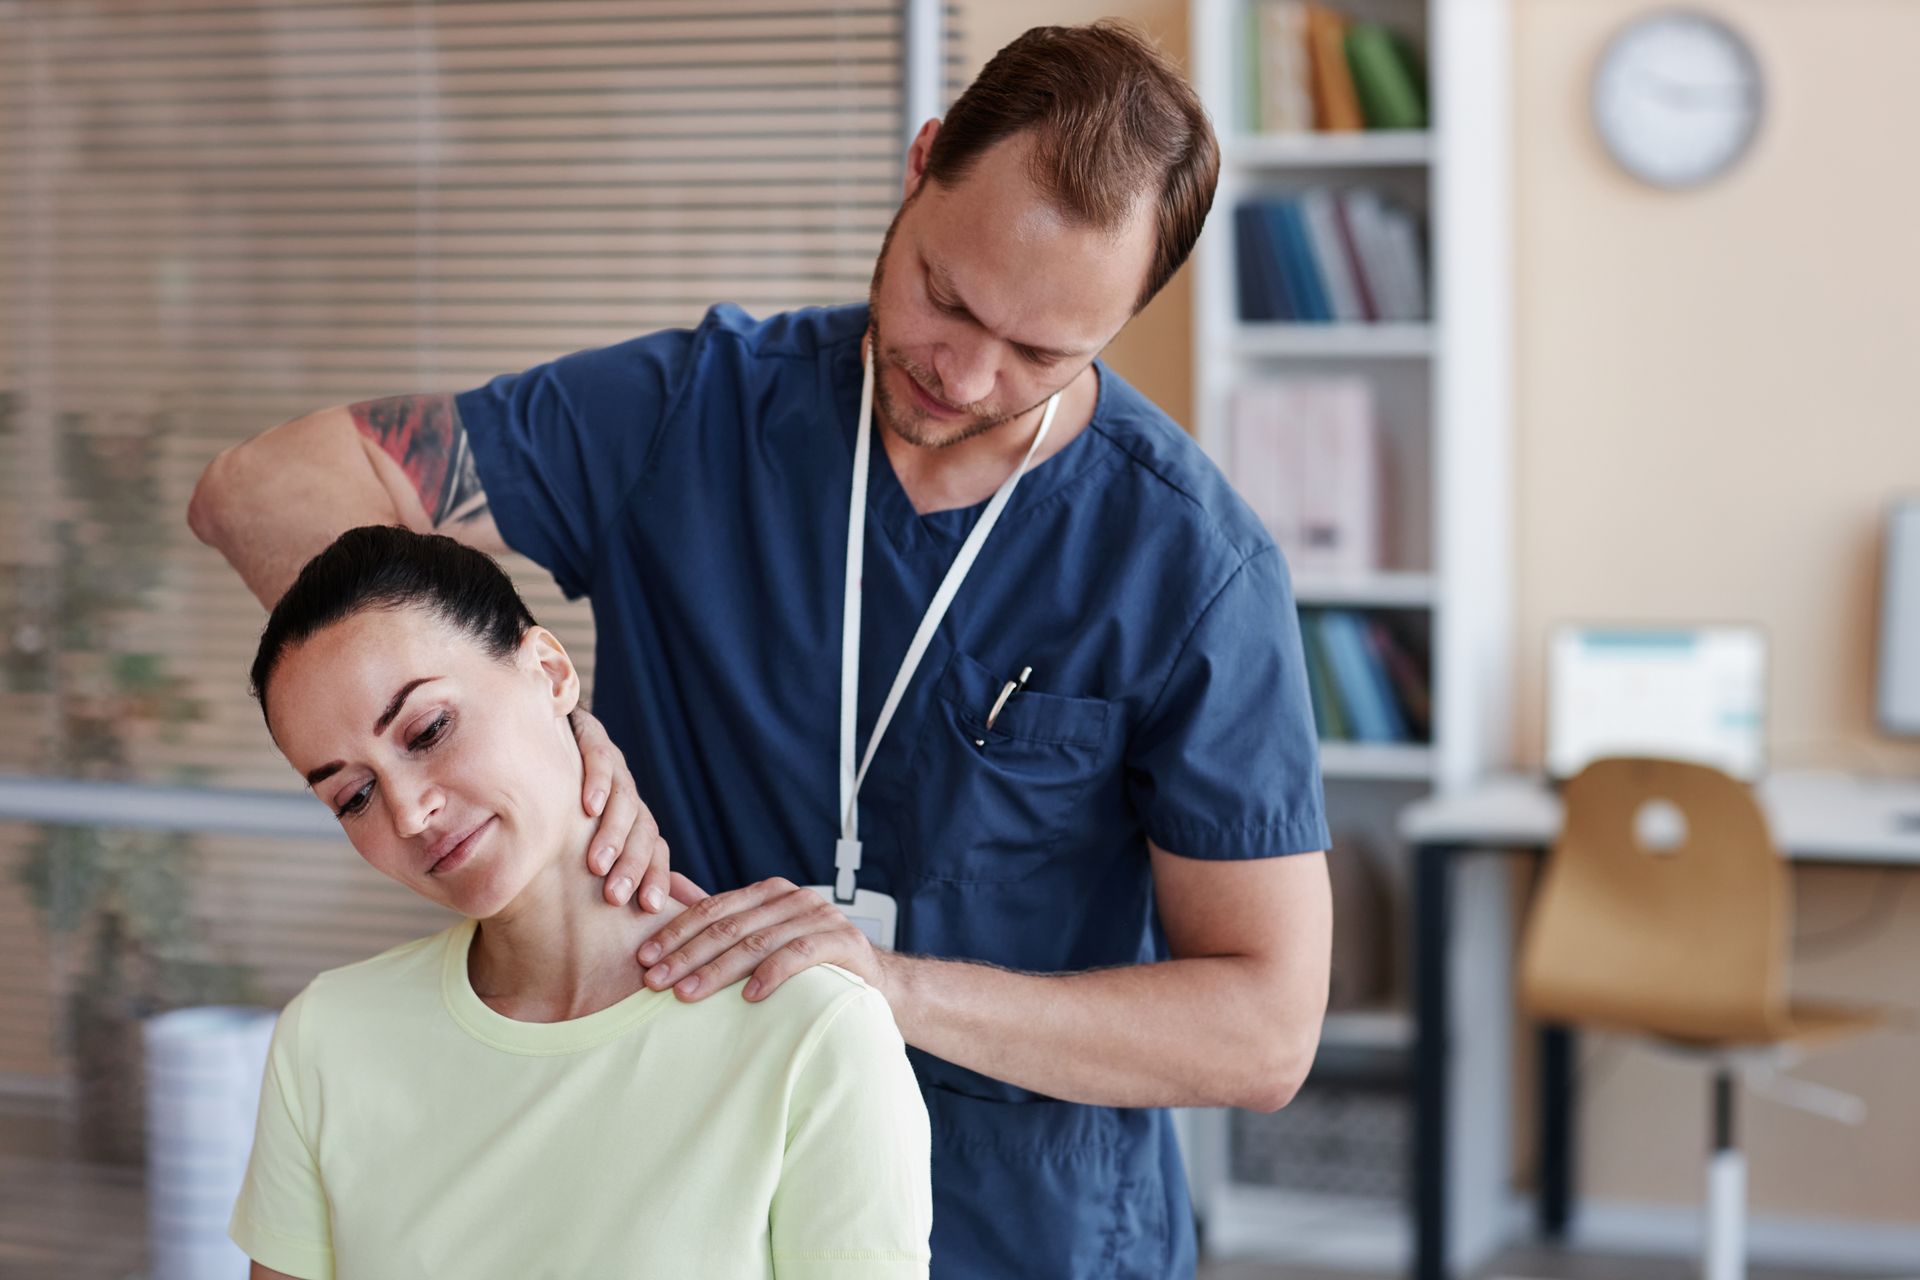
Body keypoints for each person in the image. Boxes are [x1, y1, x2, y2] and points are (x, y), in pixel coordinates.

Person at [191, 22, 1332, 1278]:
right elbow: (261, 490)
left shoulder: (1190, 565)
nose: (964, 372)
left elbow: (1264, 1030)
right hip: (682, 1207)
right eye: (947, 296)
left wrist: (880, 986)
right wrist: (533, 722)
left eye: (1044, 352)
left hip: (1029, 1234)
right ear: (923, 163)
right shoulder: (696, 413)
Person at [229, 525, 931, 1280]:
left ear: (551, 673)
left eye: (429, 730)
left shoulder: (811, 1032)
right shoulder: (330, 1039)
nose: (407, 813)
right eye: (354, 795)